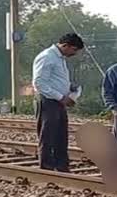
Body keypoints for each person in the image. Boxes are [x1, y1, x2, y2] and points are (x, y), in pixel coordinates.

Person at [31, 33, 84, 172]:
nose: (74, 53)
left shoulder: (60, 59)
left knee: (61, 134)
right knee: (48, 134)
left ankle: (61, 165)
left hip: (59, 101)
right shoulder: (47, 57)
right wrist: (61, 97)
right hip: (48, 100)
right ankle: (47, 166)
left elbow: (57, 80)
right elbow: (39, 82)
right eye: (73, 50)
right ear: (65, 45)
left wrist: (70, 93)